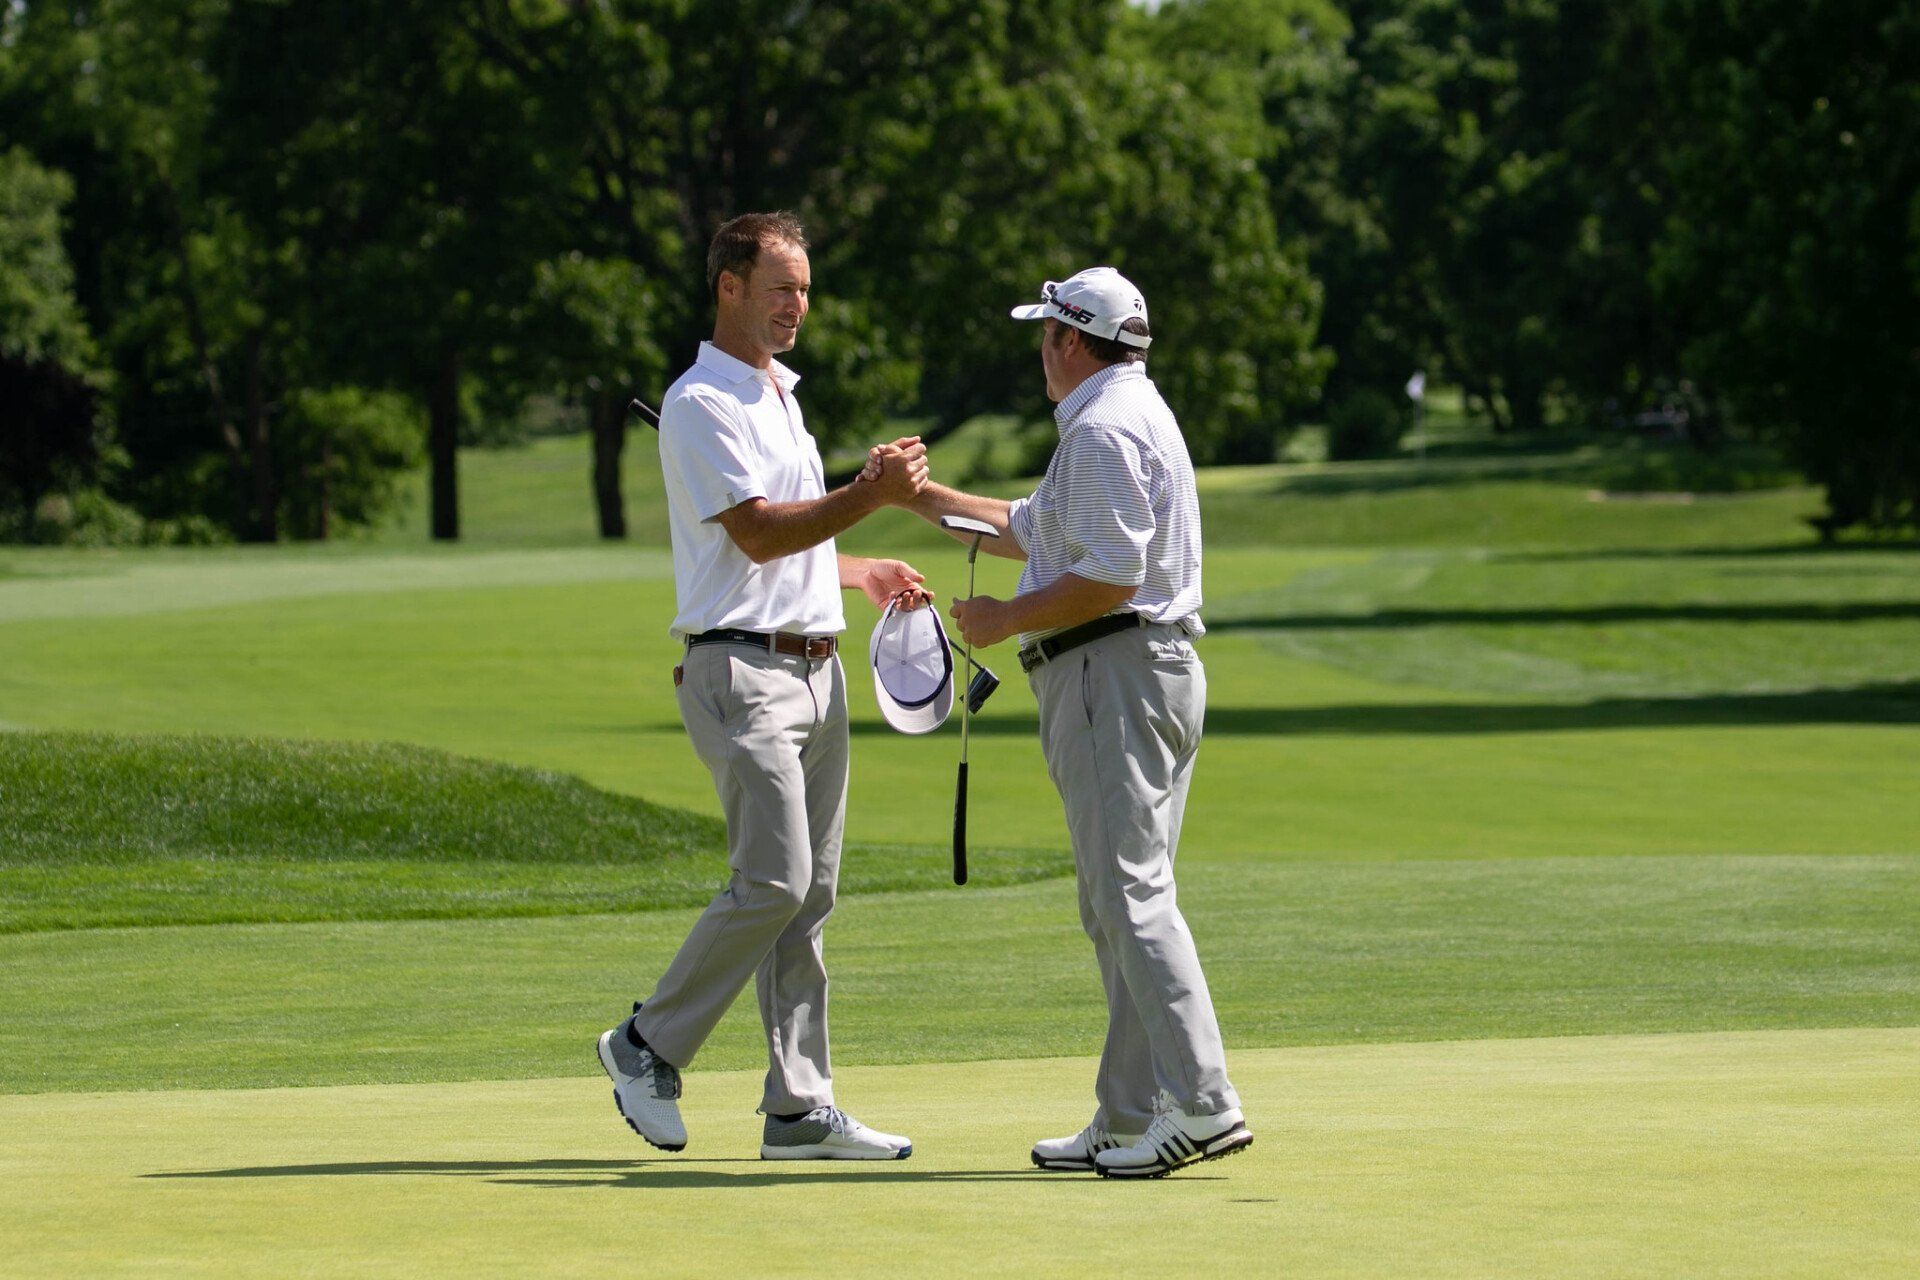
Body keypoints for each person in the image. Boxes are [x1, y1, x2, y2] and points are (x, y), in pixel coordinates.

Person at [875, 266, 1250, 1178]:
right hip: (1139, 671)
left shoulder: (1103, 429)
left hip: (1112, 671)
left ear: (1071, 340)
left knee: (1128, 896)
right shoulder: (1123, 414)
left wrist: (1003, 619)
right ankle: (1127, 1115)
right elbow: (1030, 529)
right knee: (1119, 899)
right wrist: (916, 498)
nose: (1039, 351)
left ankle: (1203, 1105)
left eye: (1046, 334)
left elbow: (1112, 576)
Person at [598, 211, 931, 1162]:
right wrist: (869, 492)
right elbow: (755, 534)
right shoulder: (702, 400)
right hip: (743, 671)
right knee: (774, 879)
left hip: (816, 667)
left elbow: (790, 544)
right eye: (782, 287)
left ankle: (799, 1107)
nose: (798, 306)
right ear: (730, 287)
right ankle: (644, 1045)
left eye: (806, 290)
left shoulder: (782, 397)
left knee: (809, 895)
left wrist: (860, 570)